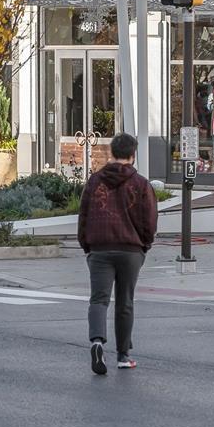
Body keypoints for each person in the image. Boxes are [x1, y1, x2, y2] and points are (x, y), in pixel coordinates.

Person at [77, 131, 157, 374]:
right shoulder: (141, 184)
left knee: (99, 299)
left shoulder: (94, 181)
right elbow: (149, 221)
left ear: (111, 153)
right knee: (125, 302)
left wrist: (87, 245)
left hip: (100, 248)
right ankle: (123, 355)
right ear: (133, 155)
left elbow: (84, 215)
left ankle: (97, 341)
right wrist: (144, 245)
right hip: (130, 250)